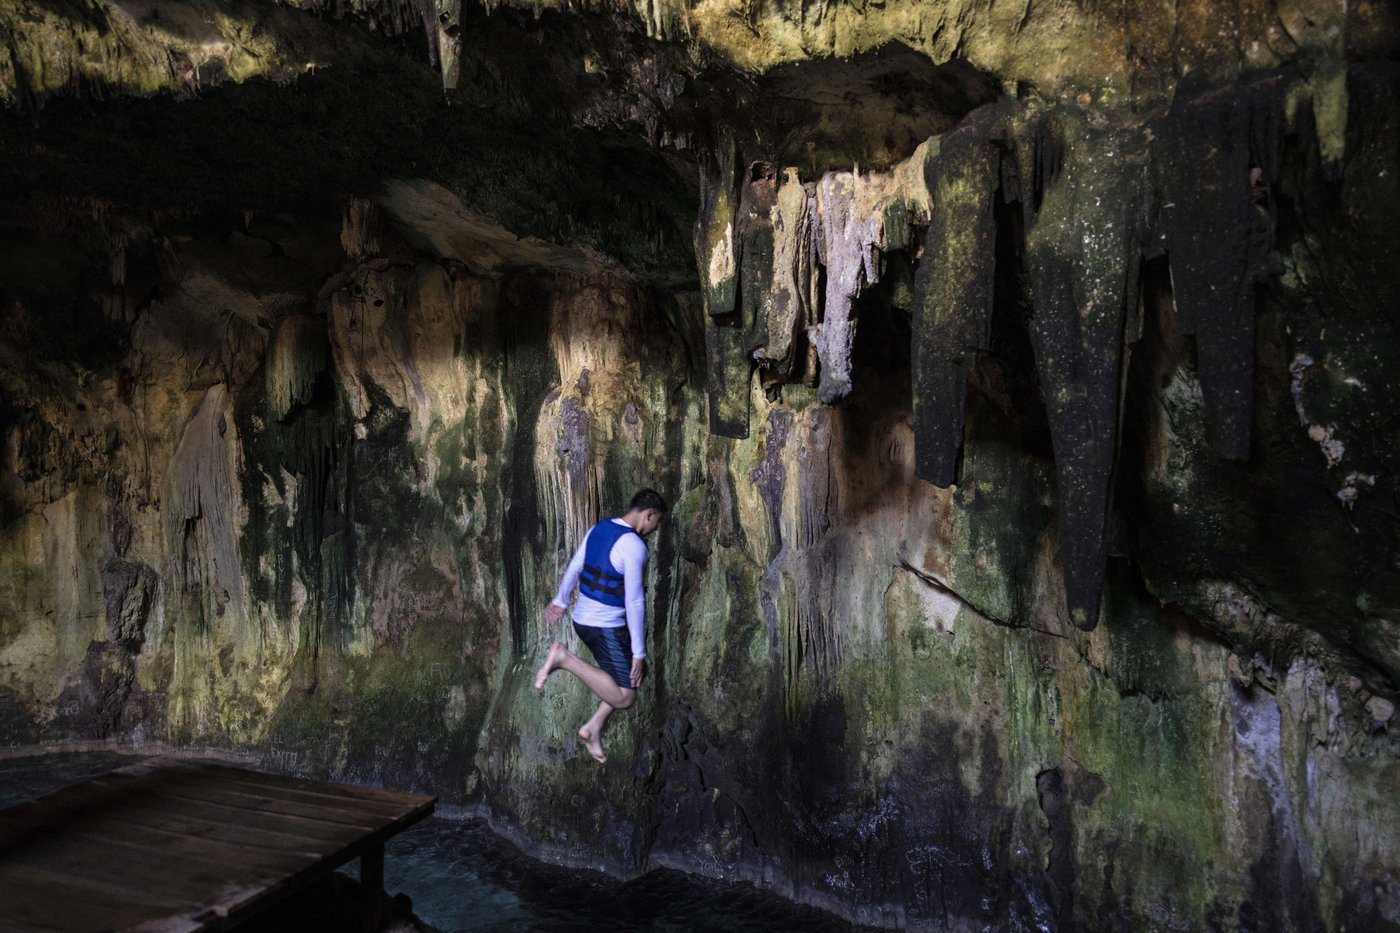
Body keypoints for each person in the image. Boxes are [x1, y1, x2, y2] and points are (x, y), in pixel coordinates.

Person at [535, 489, 667, 763]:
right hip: (604, 626)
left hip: (583, 619)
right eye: (656, 523)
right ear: (649, 514)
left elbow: (575, 565)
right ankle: (564, 659)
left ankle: (593, 727)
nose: (655, 529)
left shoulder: (601, 527)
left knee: (631, 677)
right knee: (625, 696)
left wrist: (560, 600)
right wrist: (639, 653)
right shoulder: (634, 545)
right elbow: (634, 601)